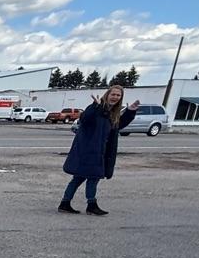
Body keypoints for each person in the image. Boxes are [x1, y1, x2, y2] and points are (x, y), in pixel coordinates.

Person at [57, 85, 139, 216]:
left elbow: (117, 126)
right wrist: (94, 107)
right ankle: (91, 205)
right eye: (113, 94)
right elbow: (84, 119)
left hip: (101, 151)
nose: (115, 97)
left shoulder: (112, 113)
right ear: (107, 94)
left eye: (118, 95)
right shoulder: (97, 108)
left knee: (78, 178)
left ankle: (65, 203)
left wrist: (130, 112)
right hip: (89, 150)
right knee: (93, 177)